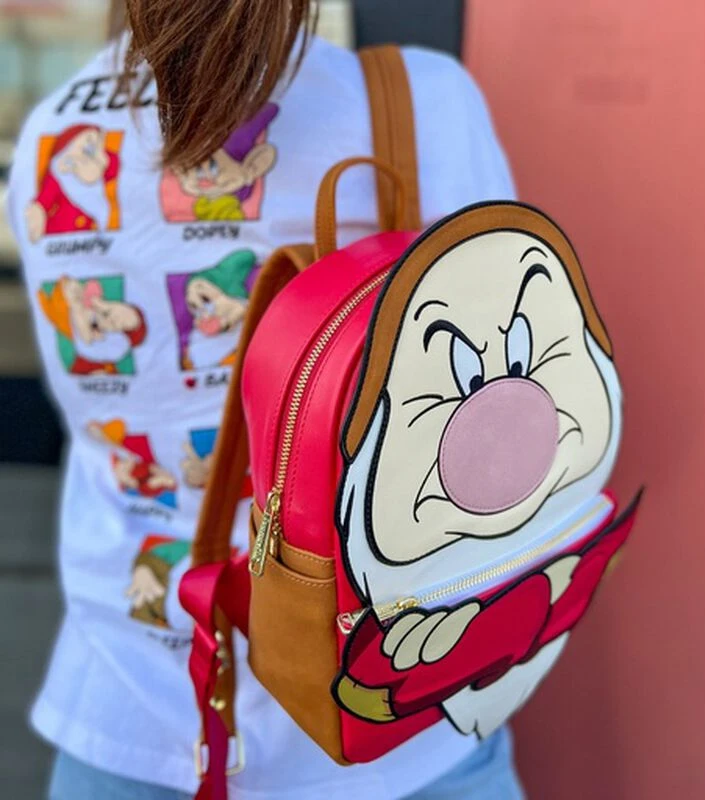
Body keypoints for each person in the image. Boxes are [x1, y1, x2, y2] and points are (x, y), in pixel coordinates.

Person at [8, 1, 523, 798]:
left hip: (129, 709)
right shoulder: (418, 103)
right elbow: (506, 407)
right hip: (387, 711)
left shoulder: (52, 133)